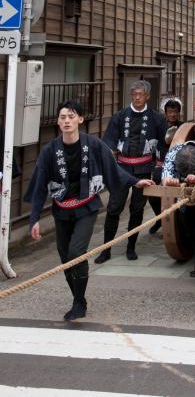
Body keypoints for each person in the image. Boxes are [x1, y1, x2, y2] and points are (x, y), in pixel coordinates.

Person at [25, 100, 153, 320]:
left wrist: (135, 181)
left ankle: (78, 302)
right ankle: (78, 298)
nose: (67, 121)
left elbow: (113, 168)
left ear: (80, 120)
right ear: (58, 121)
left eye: (71, 117)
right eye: (63, 117)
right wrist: (34, 218)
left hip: (86, 206)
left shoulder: (93, 144)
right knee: (65, 258)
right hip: (61, 209)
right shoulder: (50, 151)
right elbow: (38, 185)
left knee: (76, 253)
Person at [94, 80, 167, 264]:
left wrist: (159, 167)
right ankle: (106, 249)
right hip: (121, 168)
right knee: (113, 208)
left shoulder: (156, 118)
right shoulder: (120, 116)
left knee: (137, 209)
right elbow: (109, 143)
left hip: (143, 170)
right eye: (134, 93)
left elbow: (163, 144)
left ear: (148, 96)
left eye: (141, 94)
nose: (137, 97)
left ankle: (131, 247)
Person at [162, 138, 195, 285]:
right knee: (189, 229)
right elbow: (165, 178)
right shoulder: (172, 153)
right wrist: (170, 180)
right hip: (185, 196)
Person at [148, 98, 184, 234]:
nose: (173, 115)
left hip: (177, 168)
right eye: (170, 112)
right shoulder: (159, 126)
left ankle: (175, 225)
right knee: (153, 195)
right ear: (165, 113)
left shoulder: (183, 127)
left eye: (175, 112)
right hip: (160, 166)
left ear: (179, 113)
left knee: (175, 195)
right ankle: (159, 219)